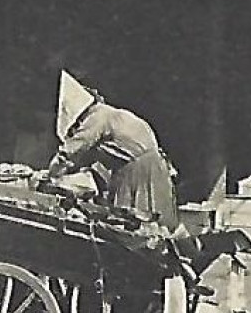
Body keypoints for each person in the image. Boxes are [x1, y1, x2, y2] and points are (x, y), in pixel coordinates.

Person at [47, 72, 179, 230]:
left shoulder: (96, 119)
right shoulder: (109, 113)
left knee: (133, 224)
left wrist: (51, 175)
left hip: (137, 172)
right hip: (152, 165)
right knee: (157, 223)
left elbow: (68, 152)